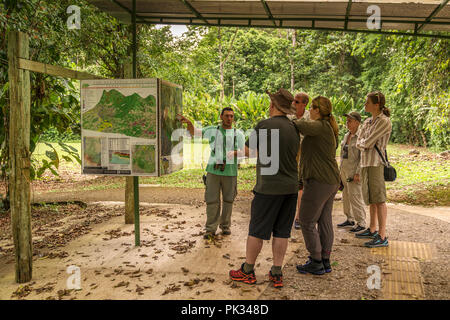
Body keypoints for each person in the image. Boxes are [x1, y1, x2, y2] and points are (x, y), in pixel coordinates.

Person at [228, 88, 299, 288]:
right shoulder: (294, 128)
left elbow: (250, 152)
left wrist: (234, 152)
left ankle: (248, 270)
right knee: (282, 232)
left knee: (257, 231)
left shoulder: (264, 125)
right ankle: (277, 272)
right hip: (291, 187)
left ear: (274, 106)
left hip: (268, 188)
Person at [178, 108, 245, 239]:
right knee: (212, 200)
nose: (229, 118)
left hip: (230, 172)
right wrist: (189, 123)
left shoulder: (239, 134)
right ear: (221, 116)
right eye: (226, 116)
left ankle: (225, 227)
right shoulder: (212, 130)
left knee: (228, 201)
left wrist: (236, 153)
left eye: (231, 116)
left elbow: (245, 152)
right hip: (213, 171)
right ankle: (210, 229)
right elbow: (195, 133)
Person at [293, 96, 340, 275]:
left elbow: (301, 125)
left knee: (306, 220)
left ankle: (316, 259)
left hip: (319, 181)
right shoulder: (326, 127)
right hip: (329, 181)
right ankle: (325, 259)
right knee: (324, 220)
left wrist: (292, 117)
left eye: (311, 108)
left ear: (318, 110)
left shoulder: (320, 126)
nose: (309, 111)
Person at [355, 91, 392, 248]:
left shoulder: (384, 121)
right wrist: (363, 142)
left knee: (379, 199)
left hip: (376, 163)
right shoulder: (368, 121)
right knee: (370, 198)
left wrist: (362, 142)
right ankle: (372, 229)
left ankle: (382, 235)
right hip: (365, 163)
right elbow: (359, 140)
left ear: (376, 105)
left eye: (367, 102)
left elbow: (367, 142)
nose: (365, 105)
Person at [337, 111, 366, 233]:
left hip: (354, 171)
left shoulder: (361, 136)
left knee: (355, 196)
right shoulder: (346, 135)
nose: (347, 123)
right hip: (344, 169)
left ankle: (361, 222)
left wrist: (358, 173)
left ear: (357, 123)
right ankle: (350, 218)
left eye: (350, 121)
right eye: (347, 120)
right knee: (346, 195)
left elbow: (362, 156)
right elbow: (342, 154)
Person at [290, 92, 310, 230]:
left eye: (297, 102)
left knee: (302, 185)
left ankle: (299, 216)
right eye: (293, 101)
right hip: (291, 153)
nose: (293, 104)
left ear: (304, 104)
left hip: (306, 153)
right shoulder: (288, 115)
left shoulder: (310, 117)